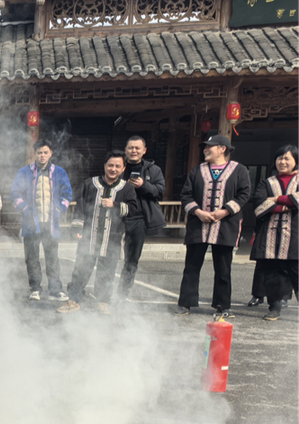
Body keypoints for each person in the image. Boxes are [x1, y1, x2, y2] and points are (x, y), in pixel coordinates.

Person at [175, 134, 251, 317]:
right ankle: (186, 303)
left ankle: (223, 305)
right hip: (197, 225)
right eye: (205, 147)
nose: (205, 150)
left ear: (222, 148)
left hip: (225, 225)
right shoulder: (197, 171)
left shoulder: (239, 170)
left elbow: (244, 194)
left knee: (223, 269)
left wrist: (225, 211)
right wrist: (198, 212)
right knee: (192, 266)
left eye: (210, 146)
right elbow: (186, 195)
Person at [57, 153, 130, 315]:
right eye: (110, 165)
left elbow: (133, 210)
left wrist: (115, 205)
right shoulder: (90, 184)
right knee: (81, 268)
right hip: (89, 237)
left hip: (112, 238)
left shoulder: (127, 188)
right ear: (105, 165)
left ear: (123, 168)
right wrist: (77, 228)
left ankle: (103, 302)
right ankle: (73, 300)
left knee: (107, 271)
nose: (113, 169)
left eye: (118, 166)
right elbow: (81, 207)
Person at [11, 139, 72, 301]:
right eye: (39, 152)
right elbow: (15, 194)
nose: (42, 155)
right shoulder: (24, 172)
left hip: (51, 224)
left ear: (51, 154)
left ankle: (55, 290)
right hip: (31, 224)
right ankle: (35, 288)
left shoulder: (59, 172)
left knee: (52, 258)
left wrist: (59, 209)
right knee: (31, 258)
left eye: (45, 152)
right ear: (34, 154)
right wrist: (25, 209)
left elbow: (67, 194)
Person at [250, 145, 298, 321]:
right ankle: (274, 307)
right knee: (271, 274)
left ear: (296, 161)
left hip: (295, 236)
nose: (282, 162)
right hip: (269, 236)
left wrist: (276, 199)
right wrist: (289, 204)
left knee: (296, 272)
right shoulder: (266, 182)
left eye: (287, 158)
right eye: (279, 158)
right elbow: (259, 205)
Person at [117, 135, 166, 301]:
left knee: (132, 259)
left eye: (137, 148)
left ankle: (122, 293)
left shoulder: (153, 169)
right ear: (125, 150)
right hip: (116, 217)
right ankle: (103, 290)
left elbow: (160, 191)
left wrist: (143, 185)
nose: (133, 151)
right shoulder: (118, 166)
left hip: (138, 219)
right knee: (107, 254)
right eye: (130, 148)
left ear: (144, 151)